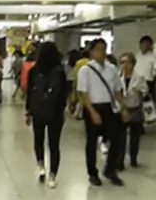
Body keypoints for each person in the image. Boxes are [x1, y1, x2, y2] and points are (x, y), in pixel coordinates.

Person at [77, 38, 128, 187]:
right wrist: (92, 112)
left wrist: (123, 108)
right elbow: (83, 94)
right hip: (93, 107)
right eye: (98, 50)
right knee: (92, 142)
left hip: (109, 107)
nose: (101, 53)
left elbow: (118, 90)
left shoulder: (111, 68)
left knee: (118, 139)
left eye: (103, 49)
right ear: (91, 52)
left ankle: (110, 169)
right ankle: (92, 173)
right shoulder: (85, 70)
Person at [25, 42, 67, 188]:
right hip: (55, 113)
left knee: (39, 139)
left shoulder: (34, 71)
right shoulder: (60, 72)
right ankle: (53, 175)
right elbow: (63, 95)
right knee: (54, 144)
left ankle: (41, 165)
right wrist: (62, 111)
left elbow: (29, 93)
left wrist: (28, 111)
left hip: (38, 111)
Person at [118, 52, 148, 170]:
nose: (124, 65)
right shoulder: (118, 75)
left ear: (132, 64)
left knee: (135, 137)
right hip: (122, 109)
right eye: (122, 62)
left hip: (135, 109)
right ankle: (119, 161)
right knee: (120, 137)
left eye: (127, 62)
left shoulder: (139, 76)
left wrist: (139, 90)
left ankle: (133, 158)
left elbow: (145, 91)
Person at [135, 36, 156, 106]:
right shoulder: (137, 55)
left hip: (148, 82)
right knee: (137, 103)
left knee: (149, 104)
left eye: (148, 44)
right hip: (137, 82)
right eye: (144, 44)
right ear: (140, 45)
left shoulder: (153, 56)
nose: (146, 46)